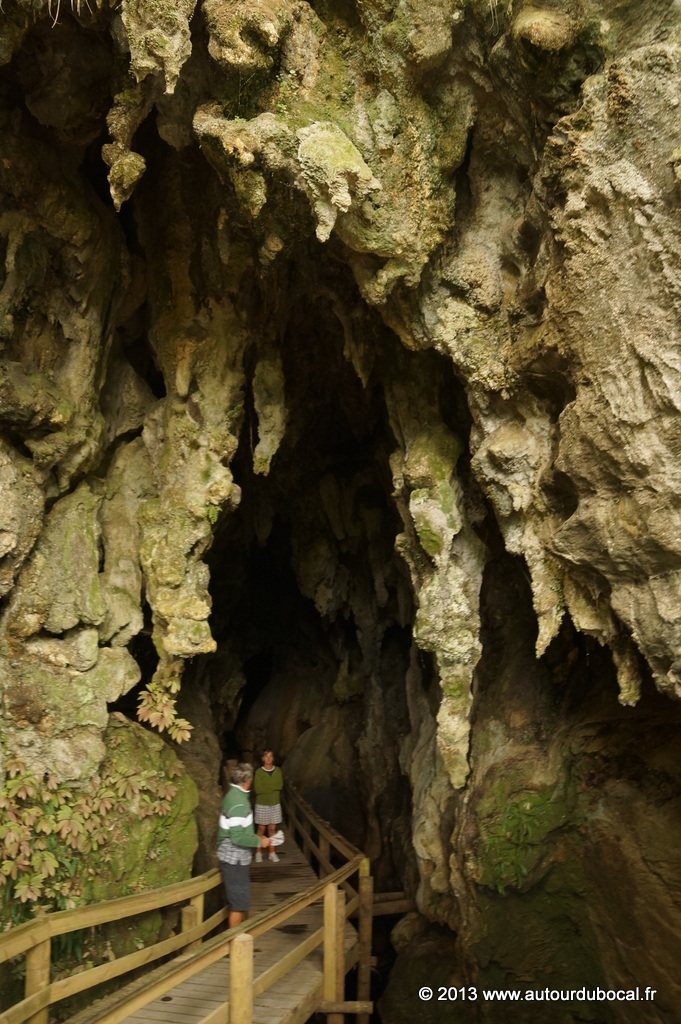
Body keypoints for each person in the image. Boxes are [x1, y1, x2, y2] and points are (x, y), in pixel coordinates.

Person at [217, 763, 271, 927]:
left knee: (238, 902)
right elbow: (237, 837)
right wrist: (259, 841)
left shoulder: (233, 795)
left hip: (233, 857)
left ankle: (236, 938)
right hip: (234, 859)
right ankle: (235, 940)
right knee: (239, 904)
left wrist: (255, 837)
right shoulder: (239, 803)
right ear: (248, 780)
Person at [254, 749, 283, 863]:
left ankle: (272, 852)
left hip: (275, 803)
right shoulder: (259, 772)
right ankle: (258, 851)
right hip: (262, 803)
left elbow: (279, 785)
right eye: (266, 756)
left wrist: (266, 786)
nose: (268, 759)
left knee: (272, 828)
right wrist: (272, 788)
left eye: (271, 756)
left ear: (273, 758)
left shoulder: (278, 771)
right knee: (261, 828)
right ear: (263, 759)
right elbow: (258, 789)